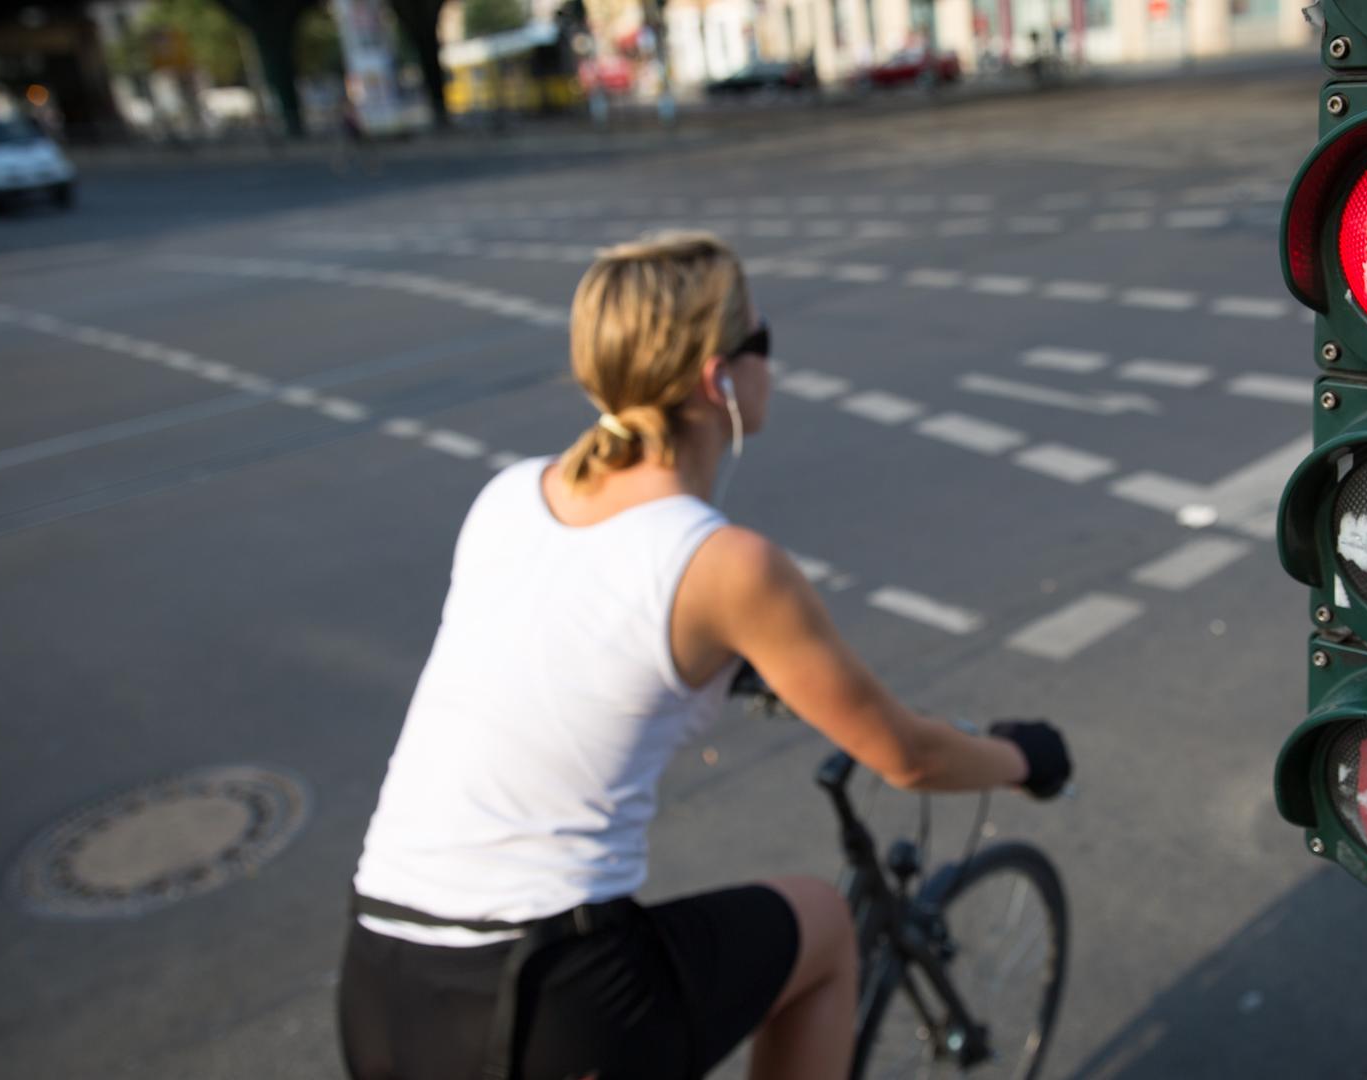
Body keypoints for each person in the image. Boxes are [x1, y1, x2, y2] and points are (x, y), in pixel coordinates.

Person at [336, 232, 1072, 1080]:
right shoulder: (725, 567)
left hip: (381, 982)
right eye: (762, 340)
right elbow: (906, 754)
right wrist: (1024, 757)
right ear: (718, 378)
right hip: (547, 999)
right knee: (829, 926)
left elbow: (559, 640)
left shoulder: (507, 493)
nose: (772, 360)